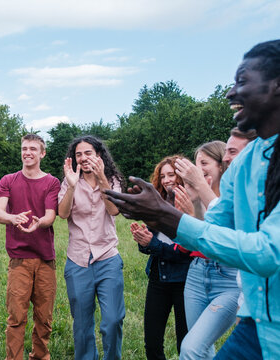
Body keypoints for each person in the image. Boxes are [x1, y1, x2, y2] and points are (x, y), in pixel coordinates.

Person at [104, 39, 280, 360]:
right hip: (257, 323)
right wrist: (158, 218)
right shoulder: (244, 164)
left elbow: (269, 253)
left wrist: (169, 218)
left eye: (242, 81)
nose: (231, 93)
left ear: (276, 86)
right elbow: (212, 230)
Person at [0, 134, 60, 360]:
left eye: (33, 148)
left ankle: (40, 356)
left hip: (45, 260)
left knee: (44, 318)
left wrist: (38, 222)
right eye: (24, 148)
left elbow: (51, 216)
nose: (27, 152)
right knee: (16, 318)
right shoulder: (9, 180)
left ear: (42, 153)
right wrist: (13, 218)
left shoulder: (52, 182)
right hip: (19, 259)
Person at [58, 135, 125, 360]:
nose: (83, 158)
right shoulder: (69, 181)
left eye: (88, 153)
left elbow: (115, 211)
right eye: (79, 154)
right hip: (78, 260)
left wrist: (102, 178)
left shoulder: (112, 180)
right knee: (82, 324)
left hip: (107, 258)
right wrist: (71, 187)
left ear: (98, 155)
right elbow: (63, 214)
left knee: (113, 319)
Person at [172, 141, 240, 360]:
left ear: (221, 165)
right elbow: (197, 241)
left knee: (191, 348)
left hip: (228, 279)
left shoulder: (235, 195)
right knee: (202, 348)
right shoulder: (198, 195)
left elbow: (226, 235)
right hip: (197, 275)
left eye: (204, 162)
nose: (197, 168)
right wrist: (192, 207)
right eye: (195, 163)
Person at [130, 155, 193, 359]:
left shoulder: (194, 206)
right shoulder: (156, 205)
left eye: (171, 175)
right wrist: (143, 240)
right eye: (163, 176)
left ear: (182, 176)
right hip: (158, 278)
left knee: (185, 342)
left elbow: (184, 252)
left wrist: (153, 244)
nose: (166, 180)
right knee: (152, 343)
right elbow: (149, 247)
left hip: (186, 280)